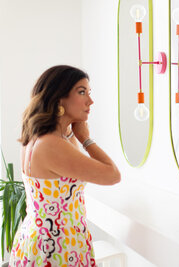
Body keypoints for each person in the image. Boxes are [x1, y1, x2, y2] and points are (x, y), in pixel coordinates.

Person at [9, 65, 121, 266]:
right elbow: (112, 175)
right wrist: (86, 138)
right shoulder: (52, 144)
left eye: (89, 92)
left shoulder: (42, 137)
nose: (90, 100)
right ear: (59, 98)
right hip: (57, 247)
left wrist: (74, 133)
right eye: (81, 92)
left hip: (44, 240)